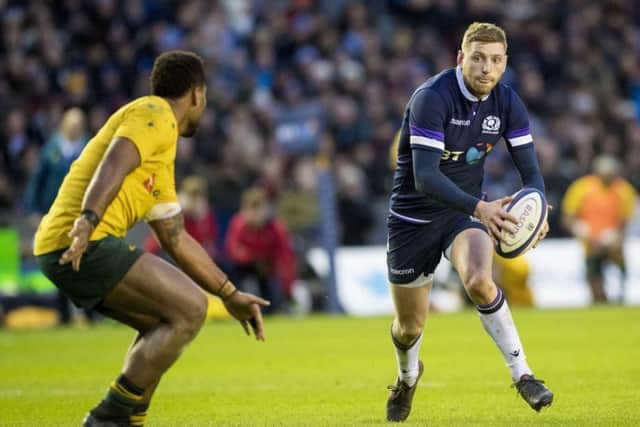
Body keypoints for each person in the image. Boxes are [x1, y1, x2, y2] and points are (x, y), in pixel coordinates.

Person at [33, 51, 270, 427]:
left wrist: (229, 294)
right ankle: (107, 416)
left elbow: (176, 239)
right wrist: (87, 219)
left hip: (69, 244)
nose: (203, 106)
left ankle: (130, 420)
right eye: (204, 97)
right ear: (196, 94)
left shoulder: (159, 155)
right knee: (190, 308)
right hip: (82, 240)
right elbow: (115, 160)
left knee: (163, 325)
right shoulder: (155, 114)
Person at [385, 22, 553, 422]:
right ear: (461, 58)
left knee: (479, 280)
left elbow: (531, 174)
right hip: (412, 218)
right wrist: (482, 208)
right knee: (409, 328)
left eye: (495, 61)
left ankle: (524, 375)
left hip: (462, 215)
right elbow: (425, 178)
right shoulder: (432, 98)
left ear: (505, 63)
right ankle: (408, 378)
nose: (486, 68)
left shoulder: (508, 103)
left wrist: (540, 208)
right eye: (478, 58)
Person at [561, 155, 637, 303]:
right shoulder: (582, 187)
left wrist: (617, 237)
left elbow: (626, 220)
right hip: (590, 241)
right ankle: (599, 298)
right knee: (594, 278)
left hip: (612, 240)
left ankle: (621, 295)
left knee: (620, 267)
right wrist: (582, 233)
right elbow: (568, 216)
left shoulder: (624, 189)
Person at [224, 187, 297, 314]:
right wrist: (252, 258)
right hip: (242, 268)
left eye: (259, 209)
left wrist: (288, 288)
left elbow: (286, 259)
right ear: (244, 210)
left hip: (267, 270)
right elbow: (232, 250)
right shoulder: (238, 224)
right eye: (252, 210)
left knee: (271, 300)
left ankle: (272, 310)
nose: (256, 215)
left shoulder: (276, 229)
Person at [144, 175, 219, 261]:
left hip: (192, 255)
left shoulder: (207, 214)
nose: (195, 199)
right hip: (163, 253)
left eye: (198, 195)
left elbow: (209, 240)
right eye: (191, 195)